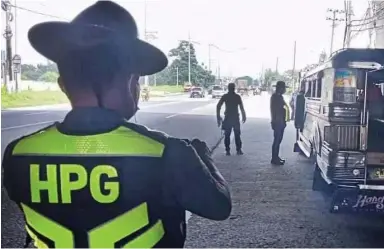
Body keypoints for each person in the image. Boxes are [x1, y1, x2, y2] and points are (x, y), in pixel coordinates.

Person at [2, 2, 231, 248]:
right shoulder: (167, 153)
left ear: (62, 85)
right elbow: (219, 206)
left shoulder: (17, 154)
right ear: (130, 80)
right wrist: (203, 157)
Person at [216, 83, 247, 155]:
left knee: (227, 134)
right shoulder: (237, 97)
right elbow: (241, 107)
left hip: (228, 118)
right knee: (237, 134)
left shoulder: (225, 96)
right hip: (235, 118)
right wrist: (243, 116)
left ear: (228, 88)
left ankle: (227, 150)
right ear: (234, 88)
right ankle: (238, 150)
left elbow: (218, 106)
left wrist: (218, 116)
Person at [270, 81, 290, 165]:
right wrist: (278, 122)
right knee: (277, 140)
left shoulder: (278, 96)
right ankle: (274, 158)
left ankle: (276, 157)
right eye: (284, 88)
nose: (285, 90)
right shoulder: (276, 97)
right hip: (278, 121)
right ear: (280, 88)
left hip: (280, 121)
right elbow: (277, 110)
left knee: (278, 140)